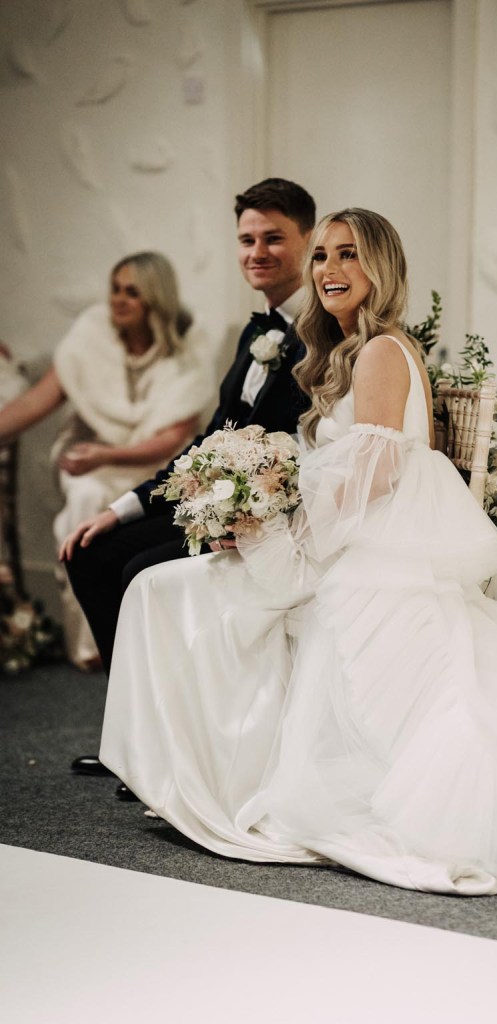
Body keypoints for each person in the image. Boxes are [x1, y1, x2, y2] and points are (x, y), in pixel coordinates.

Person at [100, 209, 497, 903]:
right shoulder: (345, 351)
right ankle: (198, 772)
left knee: (170, 592)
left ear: (381, 269)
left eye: (348, 255)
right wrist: (257, 516)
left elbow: (370, 479)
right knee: (171, 587)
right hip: (345, 554)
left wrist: (273, 537)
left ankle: (206, 775)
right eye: (321, 256)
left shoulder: (380, 351)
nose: (329, 270)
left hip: (363, 569)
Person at [61, 177, 315, 782]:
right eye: (246, 239)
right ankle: (133, 735)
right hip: (220, 501)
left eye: (274, 238)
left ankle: (167, 748)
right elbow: (209, 440)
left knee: (136, 571)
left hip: (271, 521)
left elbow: (316, 448)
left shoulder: (321, 332)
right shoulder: (255, 333)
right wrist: (123, 506)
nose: (257, 251)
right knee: (93, 551)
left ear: (308, 239)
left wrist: (246, 513)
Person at [0, 252, 213, 669]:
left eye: (132, 292)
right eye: (115, 288)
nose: (118, 299)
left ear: (155, 298)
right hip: (92, 462)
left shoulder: (187, 348)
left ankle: (131, 640)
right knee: (83, 500)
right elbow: (33, 402)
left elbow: (171, 436)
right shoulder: (90, 338)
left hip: (158, 466)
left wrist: (108, 452)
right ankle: (89, 645)